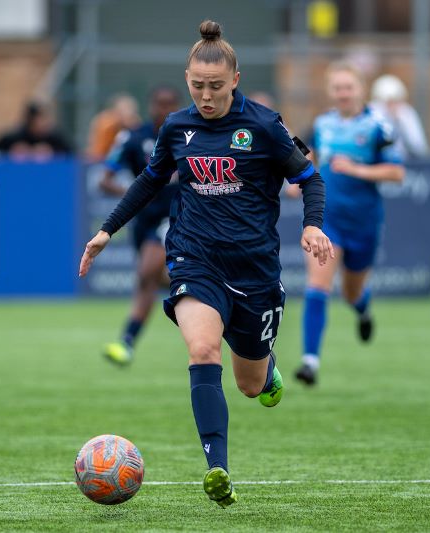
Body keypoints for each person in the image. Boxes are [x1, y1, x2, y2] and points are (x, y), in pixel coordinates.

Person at [79, 20, 333, 507]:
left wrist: (312, 224)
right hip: (194, 259)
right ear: (188, 80)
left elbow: (310, 177)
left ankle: (267, 365)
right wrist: (106, 231)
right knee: (201, 350)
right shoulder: (177, 127)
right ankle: (218, 468)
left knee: (250, 383)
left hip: (255, 271)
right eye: (197, 86)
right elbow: (148, 182)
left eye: (216, 86)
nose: (206, 96)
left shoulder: (263, 125)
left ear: (234, 79)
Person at [291, 61, 404, 387]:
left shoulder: (378, 126)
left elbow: (397, 173)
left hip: (364, 222)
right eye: (337, 88)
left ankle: (363, 309)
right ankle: (310, 362)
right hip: (327, 220)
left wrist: (357, 169)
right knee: (317, 286)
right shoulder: (322, 124)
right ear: (330, 91)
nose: (343, 93)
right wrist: (292, 179)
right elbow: (304, 157)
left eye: (348, 87)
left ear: (361, 90)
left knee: (352, 292)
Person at [99, 86, 182, 365]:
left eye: (171, 104)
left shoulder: (190, 136)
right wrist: (133, 194)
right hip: (144, 220)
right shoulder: (134, 138)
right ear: (151, 107)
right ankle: (129, 342)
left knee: (147, 271)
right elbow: (105, 179)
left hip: (176, 217)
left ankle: (126, 341)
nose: (165, 110)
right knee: (152, 280)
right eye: (160, 104)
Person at [370, 74, 428, 159]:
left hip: (406, 162)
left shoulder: (407, 112)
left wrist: (399, 122)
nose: (392, 105)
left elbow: (419, 146)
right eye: (388, 102)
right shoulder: (372, 111)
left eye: (395, 100)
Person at [0, 102, 72, 160]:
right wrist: (12, 152)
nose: (44, 123)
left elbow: (72, 154)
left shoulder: (55, 137)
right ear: (30, 121)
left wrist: (53, 152)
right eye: (40, 119)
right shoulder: (15, 136)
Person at [86, 93, 141, 162]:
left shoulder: (128, 125)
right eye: (126, 108)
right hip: (98, 160)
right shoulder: (107, 120)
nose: (130, 113)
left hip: (111, 161)